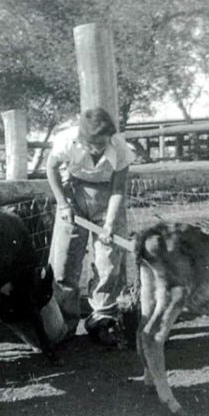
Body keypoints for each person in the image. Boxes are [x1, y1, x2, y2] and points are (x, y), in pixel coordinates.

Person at [45, 107, 135, 346]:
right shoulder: (67, 141)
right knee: (65, 263)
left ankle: (101, 322)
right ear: (82, 138)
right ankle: (64, 325)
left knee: (108, 265)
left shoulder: (121, 149)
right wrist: (63, 204)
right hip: (73, 196)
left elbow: (118, 189)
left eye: (103, 144)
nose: (98, 149)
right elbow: (51, 168)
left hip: (107, 200)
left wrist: (108, 224)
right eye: (93, 144)